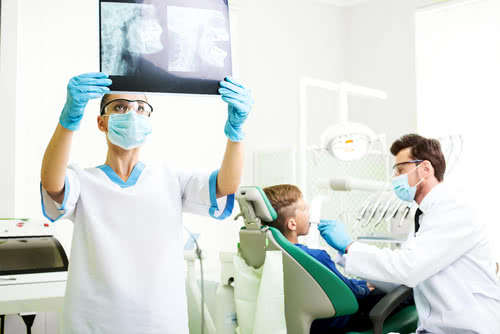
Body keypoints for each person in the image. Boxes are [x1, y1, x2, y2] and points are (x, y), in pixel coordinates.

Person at [40, 72, 253, 334]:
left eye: (140, 108)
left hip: (160, 322)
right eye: (119, 107)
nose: (131, 114)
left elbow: (226, 186)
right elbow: (52, 183)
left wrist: (237, 131)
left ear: (149, 121)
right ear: (101, 122)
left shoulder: (171, 180)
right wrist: (69, 120)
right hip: (95, 323)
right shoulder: (84, 181)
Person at [318, 134, 500, 333]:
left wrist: (350, 247)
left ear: (425, 169)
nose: (395, 178)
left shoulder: (454, 208)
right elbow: (406, 276)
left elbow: (409, 268)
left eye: (400, 170)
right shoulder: (425, 215)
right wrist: (349, 257)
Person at [262, 184, 413, 334]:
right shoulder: (316, 258)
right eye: (304, 209)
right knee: (410, 291)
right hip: (341, 321)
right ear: (292, 224)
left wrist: (360, 284)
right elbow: (349, 293)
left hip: (309, 323)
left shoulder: (269, 255)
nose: (309, 211)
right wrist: (365, 286)